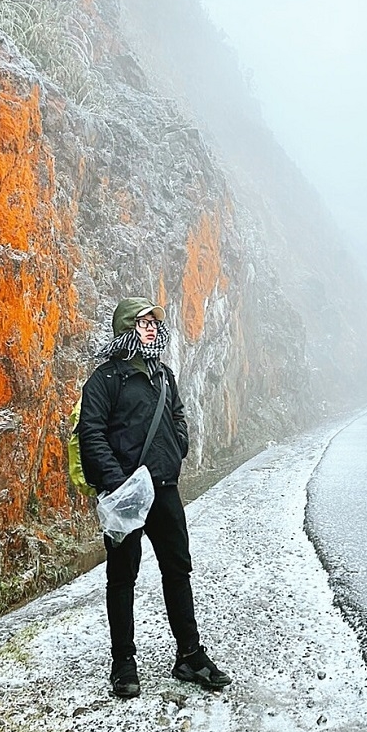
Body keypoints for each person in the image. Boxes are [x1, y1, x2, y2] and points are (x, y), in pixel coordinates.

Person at [78, 296, 231, 699]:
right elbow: (91, 434)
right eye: (142, 321)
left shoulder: (163, 375)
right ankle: (123, 664)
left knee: (178, 570)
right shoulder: (104, 381)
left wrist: (177, 447)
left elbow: (178, 416)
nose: (150, 327)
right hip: (126, 495)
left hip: (164, 490)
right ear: (126, 328)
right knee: (122, 578)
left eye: (153, 322)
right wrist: (118, 483)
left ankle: (190, 655)